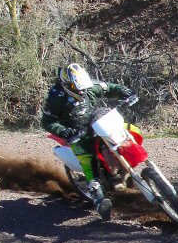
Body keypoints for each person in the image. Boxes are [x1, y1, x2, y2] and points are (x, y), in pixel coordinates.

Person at [41, 63, 136, 219]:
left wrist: (125, 92)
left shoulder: (88, 86)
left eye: (82, 87)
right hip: (75, 132)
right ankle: (98, 196)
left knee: (130, 130)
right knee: (87, 157)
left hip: (97, 123)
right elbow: (47, 121)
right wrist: (63, 130)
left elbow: (108, 87)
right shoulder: (55, 97)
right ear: (67, 84)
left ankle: (128, 165)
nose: (81, 91)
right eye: (77, 88)